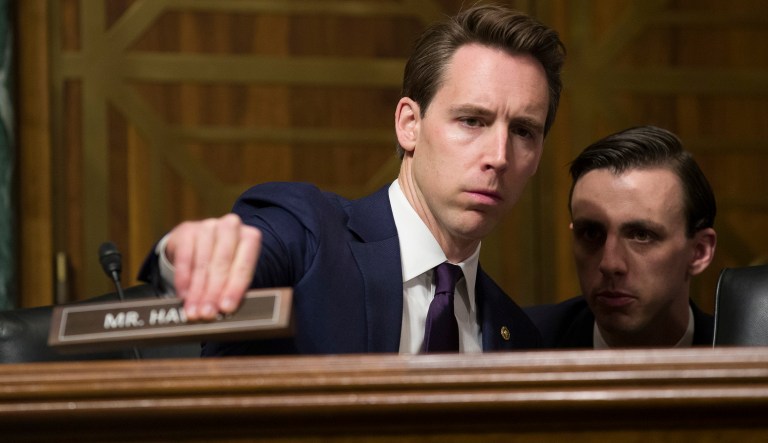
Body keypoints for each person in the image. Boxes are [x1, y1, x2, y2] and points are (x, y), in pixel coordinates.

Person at [138, 4, 566, 356]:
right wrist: (189, 260)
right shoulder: (309, 234)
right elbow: (245, 257)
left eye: (524, 131)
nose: (499, 157)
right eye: (472, 120)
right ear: (409, 125)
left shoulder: (516, 335)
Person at [525, 126, 717, 348]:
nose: (610, 264)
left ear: (699, 252)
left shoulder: (748, 351)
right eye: (591, 233)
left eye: (642, 235)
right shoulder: (521, 343)